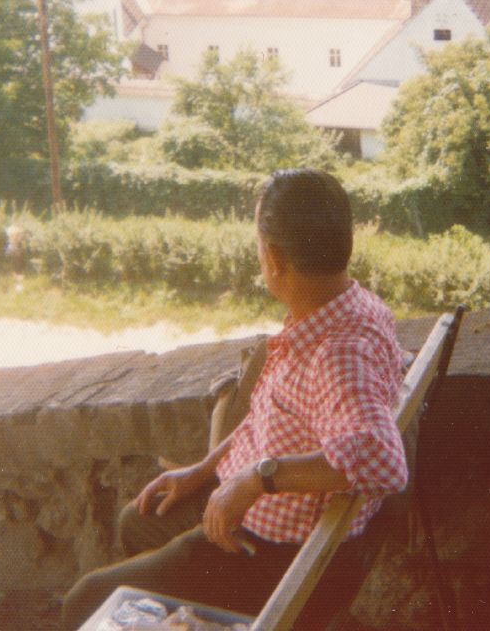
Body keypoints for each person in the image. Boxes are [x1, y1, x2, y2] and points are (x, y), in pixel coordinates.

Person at [62, 169, 408, 630]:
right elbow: (274, 421)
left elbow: (383, 459)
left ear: (274, 257)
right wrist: (206, 470)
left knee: (85, 601)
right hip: (271, 521)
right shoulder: (346, 307)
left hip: (273, 557)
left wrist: (253, 481)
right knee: (137, 520)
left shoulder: (336, 353)